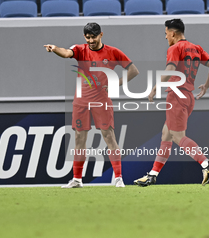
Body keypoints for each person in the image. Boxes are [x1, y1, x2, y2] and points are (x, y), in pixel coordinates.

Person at [44, 22, 139, 188]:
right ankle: (77, 179)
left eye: (93, 37)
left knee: (109, 137)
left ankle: (118, 178)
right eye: (87, 37)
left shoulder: (113, 52)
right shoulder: (80, 49)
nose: (90, 40)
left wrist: (117, 83)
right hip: (81, 101)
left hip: (101, 101)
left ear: (101, 35)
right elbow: (66, 53)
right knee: (79, 139)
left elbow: (133, 71)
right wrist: (55, 48)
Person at [134, 18, 209, 187]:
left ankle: (206, 163)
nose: (165, 37)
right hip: (188, 97)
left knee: (178, 137)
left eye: (166, 34)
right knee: (166, 134)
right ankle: (152, 175)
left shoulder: (175, 48)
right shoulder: (196, 48)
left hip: (176, 96)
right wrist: (206, 86)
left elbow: (170, 69)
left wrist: (156, 86)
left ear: (173, 33)